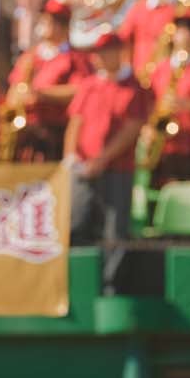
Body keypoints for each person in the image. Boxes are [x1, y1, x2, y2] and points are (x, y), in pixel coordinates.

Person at [64, 31, 149, 244]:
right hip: (83, 168)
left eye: (106, 53)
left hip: (116, 169)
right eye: (98, 53)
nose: (101, 58)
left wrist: (102, 159)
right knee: (77, 224)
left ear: (118, 53)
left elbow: (131, 128)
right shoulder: (89, 85)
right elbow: (75, 122)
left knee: (114, 232)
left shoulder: (133, 87)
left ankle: (111, 278)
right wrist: (70, 156)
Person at [141, 5, 190, 187]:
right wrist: (148, 129)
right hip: (167, 148)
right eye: (181, 29)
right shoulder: (159, 69)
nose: (185, 34)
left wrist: (186, 104)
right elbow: (147, 106)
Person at [0, 0, 83, 162]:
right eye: (44, 20)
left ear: (64, 27)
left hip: (55, 130)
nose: (45, 25)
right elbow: (15, 88)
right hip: (28, 131)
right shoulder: (30, 57)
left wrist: (41, 94)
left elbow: (78, 90)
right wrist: (16, 100)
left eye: (51, 21)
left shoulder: (74, 58)